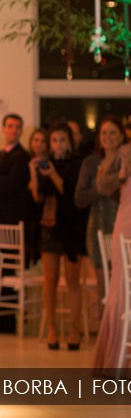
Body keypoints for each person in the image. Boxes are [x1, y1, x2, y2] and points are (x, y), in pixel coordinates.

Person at [29, 122, 85, 350]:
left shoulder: (76, 164)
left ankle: (74, 329)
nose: (58, 144)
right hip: (50, 226)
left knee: (72, 281)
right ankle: (52, 329)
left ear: (69, 142)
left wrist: (51, 173)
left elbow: (68, 192)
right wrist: (34, 172)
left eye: (62, 140)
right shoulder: (45, 164)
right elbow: (37, 197)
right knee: (50, 280)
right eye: (54, 140)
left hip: (71, 226)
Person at [74, 116, 124, 312]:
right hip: (97, 228)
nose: (108, 137)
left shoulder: (125, 161)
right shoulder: (91, 162)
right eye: (104, 132)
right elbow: (79, 199)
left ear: (121, 137)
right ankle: (106, 333)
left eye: (113, 132)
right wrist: (102, 187)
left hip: (121, 227)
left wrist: (112, 183)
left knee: (121, 283)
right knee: (103, 287)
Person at [93, 142, 131, 374]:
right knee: (123, 287)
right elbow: (102, 186)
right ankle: (118, 357)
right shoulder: (124, 152)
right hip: (126, 223)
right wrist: (120, 176)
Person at [0, 113, 31, 226]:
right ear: (3, 129)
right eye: (10, 126)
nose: (14, 130)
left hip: (10, 215)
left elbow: (11, 185)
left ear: (21, 131)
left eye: (18, 127)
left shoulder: (23, 156)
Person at [26, 128, 49, 265]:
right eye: (36, 140)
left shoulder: (46, 164)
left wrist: (33, 172)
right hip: (26, 212)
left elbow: (37, 196)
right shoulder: (26, 160)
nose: (39, 144)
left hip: (39, 213)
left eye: (42, 141)